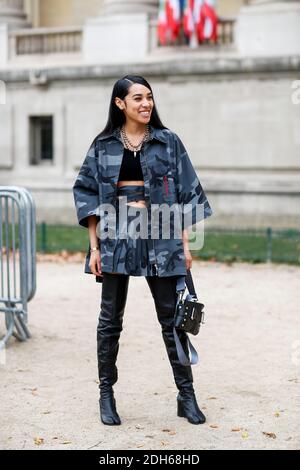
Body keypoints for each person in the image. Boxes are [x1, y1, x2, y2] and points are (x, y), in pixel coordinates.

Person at [73, 75, 213, 426]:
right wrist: (94, 249)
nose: (146, 104)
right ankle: (106, 394)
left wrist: (184, 244)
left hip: (162, 233)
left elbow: (185, 193)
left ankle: (186, 395)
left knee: (172, 318)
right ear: (120, 103)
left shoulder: (168, 142)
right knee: (110, 321)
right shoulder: (103, 144)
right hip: (115, 234)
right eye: (137, 98)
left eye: (149, 97)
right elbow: (87, 195)